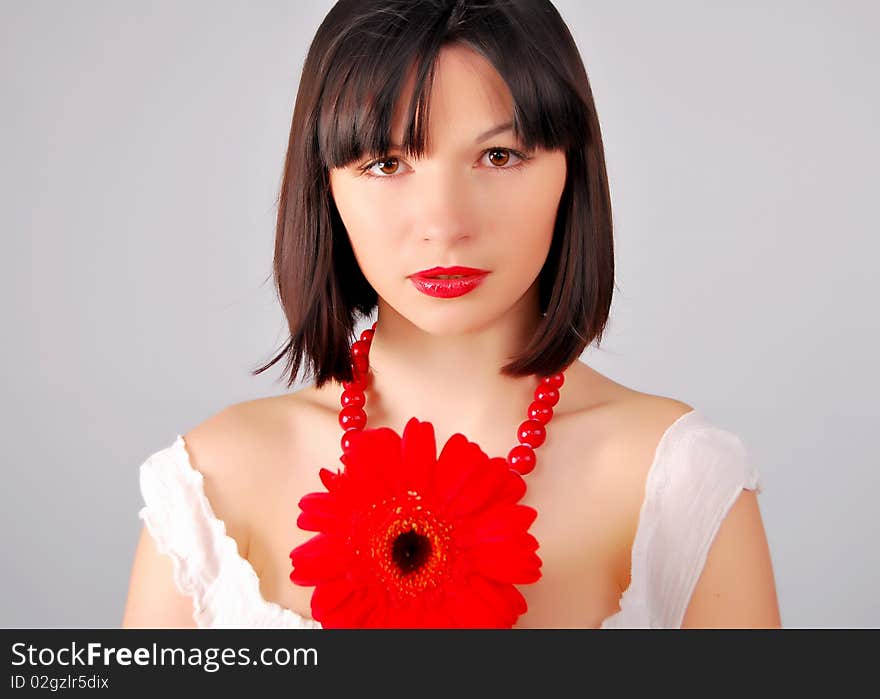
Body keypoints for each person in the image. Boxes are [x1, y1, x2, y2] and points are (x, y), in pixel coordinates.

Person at [121, 0, 781, 629]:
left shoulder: (682, 480)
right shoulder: (207, 484)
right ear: (325, 187)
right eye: (385, 162)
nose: (444, 224)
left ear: (571, 172)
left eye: (498, 156)